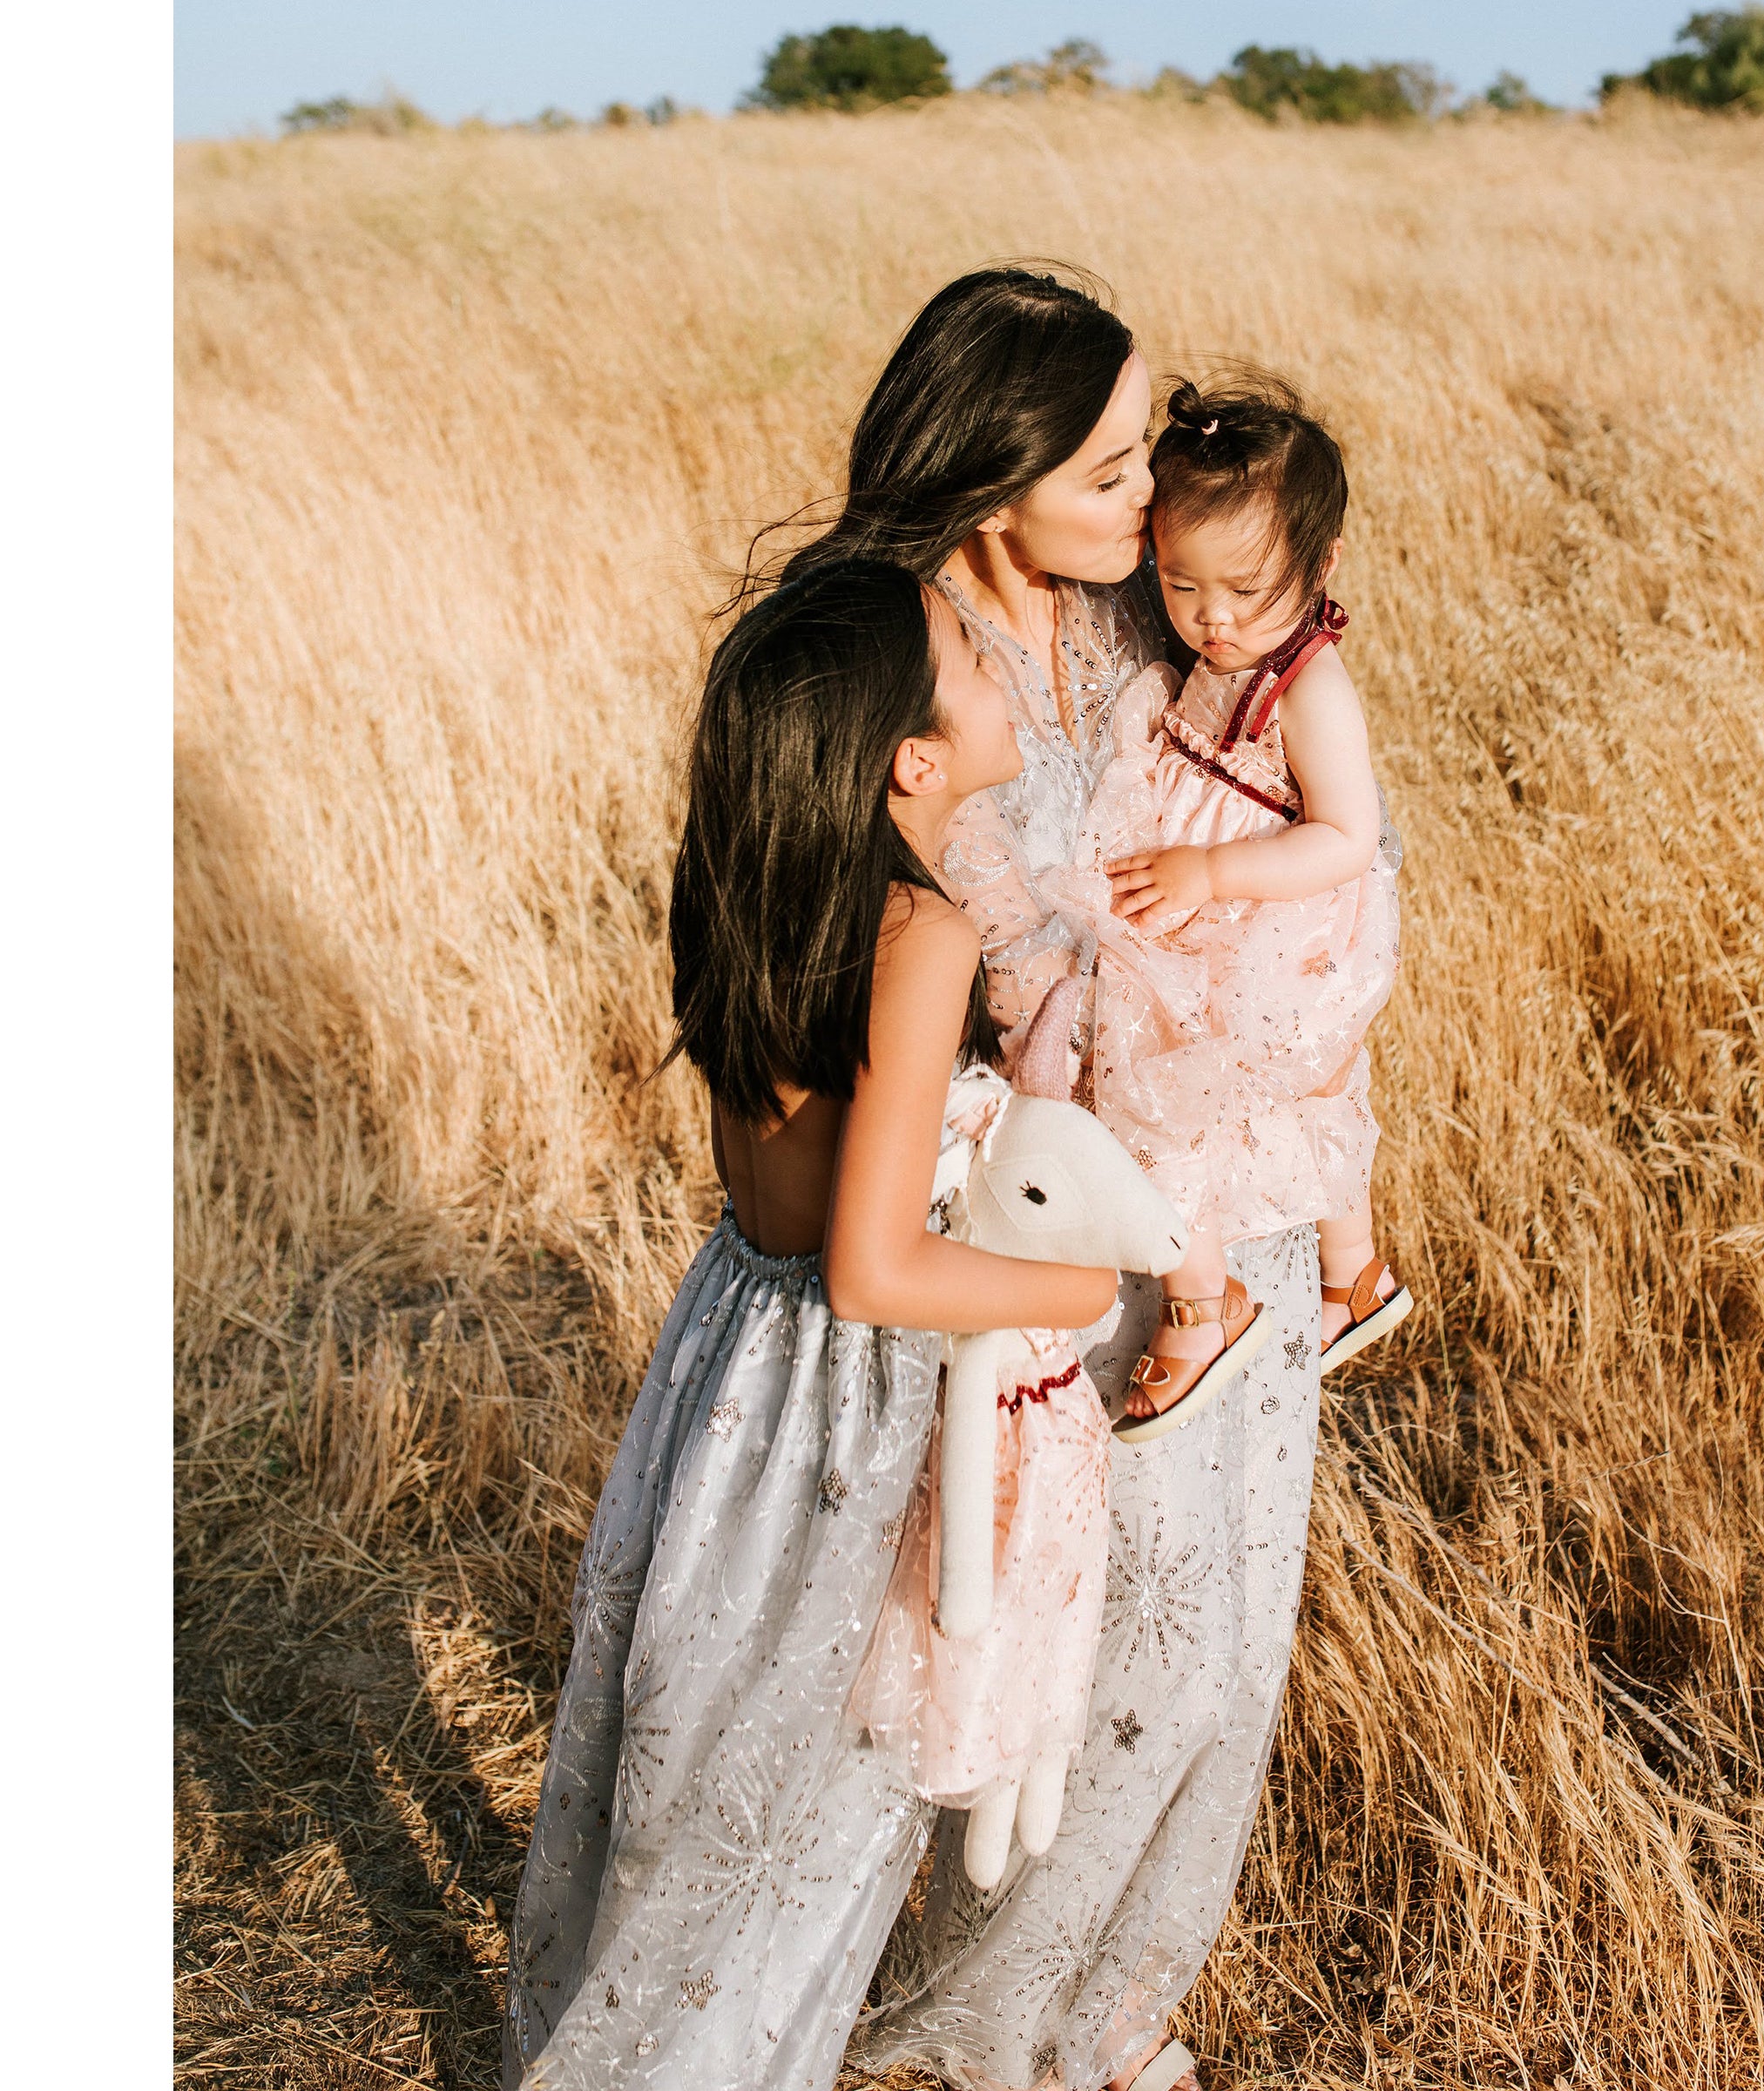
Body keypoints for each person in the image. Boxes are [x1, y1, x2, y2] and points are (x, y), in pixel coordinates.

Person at [778, 267, 1342, 2091]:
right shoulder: (900, 655)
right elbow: (853, 955)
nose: (1148, 494)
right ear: (996, 475)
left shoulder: (1137, 621)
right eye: (1110, 466)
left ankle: (1111, 2022)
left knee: (1228, 1647)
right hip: (1057, 1207)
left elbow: (1307, 820)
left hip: (1234, 1151)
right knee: (1089, 1665)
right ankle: (966, 2041)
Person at [500, 559, 1123, 2091]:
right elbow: (873, 1266)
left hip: (725, 1351)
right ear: (914, 760)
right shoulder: (921, 929)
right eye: (962, 662)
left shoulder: (758, 866)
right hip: (841, 1399)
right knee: (800, 1799)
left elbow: (796, 1228)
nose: (991, 664)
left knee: (690, 1740)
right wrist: (1078, 1294)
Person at [1052, 376, 1414, 1443]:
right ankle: (1352, 1273)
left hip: (1273, 911)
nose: (1212, 620)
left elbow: (1348, 835)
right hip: (1210, 893)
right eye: (1181, 585)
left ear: (1323, 564)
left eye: (1246, 593)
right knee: (1194, 1076)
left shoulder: (1310, 687)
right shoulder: (1218, 648)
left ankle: (1206, 1301)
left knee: (1161, 1080)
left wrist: (1212, 879)